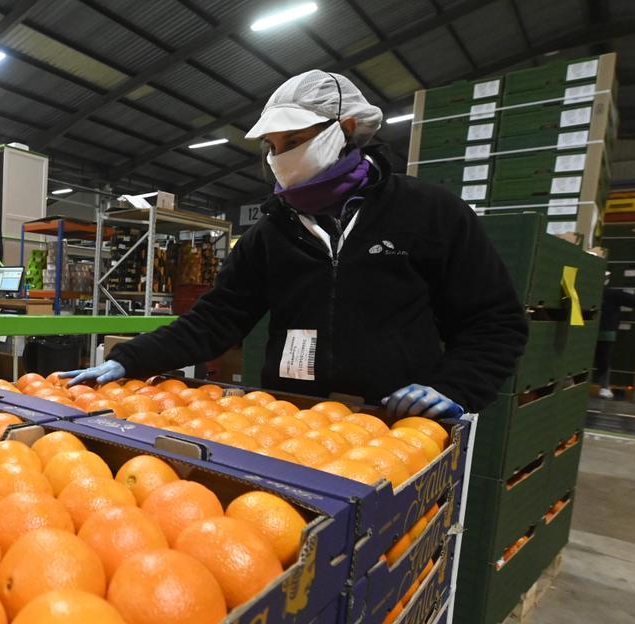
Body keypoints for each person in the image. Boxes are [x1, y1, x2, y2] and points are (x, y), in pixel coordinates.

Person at [64, 71, 528, 419]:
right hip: (290, 419)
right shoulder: (271, 233)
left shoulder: (428, 212)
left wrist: (454, 388)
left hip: (395, 426)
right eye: (271, 144)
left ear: (344, 128)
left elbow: (494, 321)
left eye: (295, 139)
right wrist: (129, 359)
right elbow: (215, 320)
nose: (280, 156)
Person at [594, 273, 635, 399]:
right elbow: (634, 301)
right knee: (604, 360)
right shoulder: (613, 294)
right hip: (606, 331)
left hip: (589, 330)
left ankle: (571, 380)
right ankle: (604, 387)